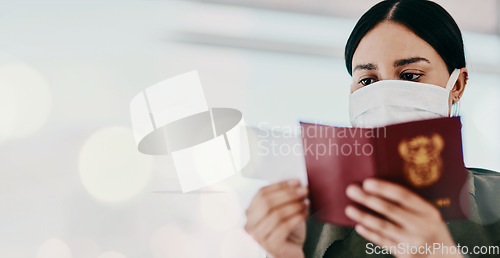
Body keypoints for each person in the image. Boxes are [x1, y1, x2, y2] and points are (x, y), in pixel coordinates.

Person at [244, 0, 500, 257]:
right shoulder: (308, 221)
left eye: (410, 75)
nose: (384, 95)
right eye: (368, 81)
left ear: (457, 85)